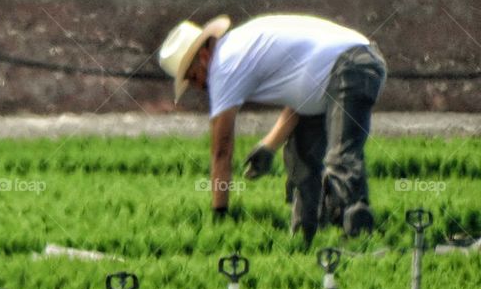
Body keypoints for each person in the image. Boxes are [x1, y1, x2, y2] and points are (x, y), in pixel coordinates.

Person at [157, 13, 387, 243]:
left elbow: (221, 151)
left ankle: (358, 241)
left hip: (352, 66)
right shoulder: (239, 46)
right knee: (300, 160)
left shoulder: (222, 67)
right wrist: (269, 146)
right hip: (334, 74)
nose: (197, 86)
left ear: (204, 56)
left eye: (193, 77)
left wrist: (220, 213)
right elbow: (300, 93)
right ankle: (305, 240)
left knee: (341, 160)